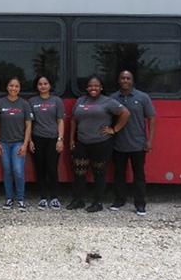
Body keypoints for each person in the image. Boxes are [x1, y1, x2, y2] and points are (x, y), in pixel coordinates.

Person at [67, 75, 130, 213]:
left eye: (96, 86)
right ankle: (79, 200)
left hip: (101, 143)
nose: (93, 88)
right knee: (79, 173)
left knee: (99, 174)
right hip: (82, 142)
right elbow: (73, 120)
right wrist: (72, 139)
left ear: (101, 87)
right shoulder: (80, 101)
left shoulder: (108, 101)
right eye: (90, 86)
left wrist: (114, 130)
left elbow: (125, 113)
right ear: (87, 88)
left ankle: (98, 202)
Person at [109, 70, 156, 216]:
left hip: (138, 144)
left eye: (128, 78)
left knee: (139, 176)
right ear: (118, 80)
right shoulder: (112, 98)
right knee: (119, 175)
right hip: (118, 144)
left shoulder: (143, 97)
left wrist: (149, 140)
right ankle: (119, 200)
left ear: (132, 80)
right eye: (122, 78)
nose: (125, 80)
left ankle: (140, 204)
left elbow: (151, 119)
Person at [0, 77, 32, 211]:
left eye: (16, 86)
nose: (13, 88)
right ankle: (9, 199)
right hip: (4, 143)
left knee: (18, 171)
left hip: (18, 142)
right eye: (11, 86)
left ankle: (20, 199)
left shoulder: (24, 104)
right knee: (7, 171)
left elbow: (28, 125)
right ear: (7, 87)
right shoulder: (0, 103)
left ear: (19, 88)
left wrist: (25, 144)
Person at [28, 75, 65, 210]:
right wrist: (30, 140)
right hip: (37, 138)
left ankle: (54, 197)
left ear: (50, 85)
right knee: (40, 169)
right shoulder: (32, 101)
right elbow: (29, 123)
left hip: (53, 139)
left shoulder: (56, 101)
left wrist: (60, 139)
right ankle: (43, 197)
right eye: (40, 84)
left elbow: (60, 121)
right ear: (37, 86)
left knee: (52, 168)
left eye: (45, 83)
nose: (42, 86)